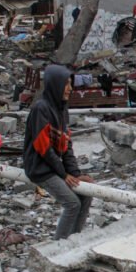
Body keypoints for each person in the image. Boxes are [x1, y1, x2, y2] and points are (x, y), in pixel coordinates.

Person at [23, 64, 93, 239]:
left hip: (55, 168)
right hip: (41, 169)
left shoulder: (63, 110)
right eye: (66, 84)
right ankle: (59, 245)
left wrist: (75, 173)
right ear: (55, 85)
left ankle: (74, 240)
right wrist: (63, 174)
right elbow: (43, 147)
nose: (70, 89)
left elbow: (66, 145)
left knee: (85, 196)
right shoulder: (41, 108)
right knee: (72, 204)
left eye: (71, 84)